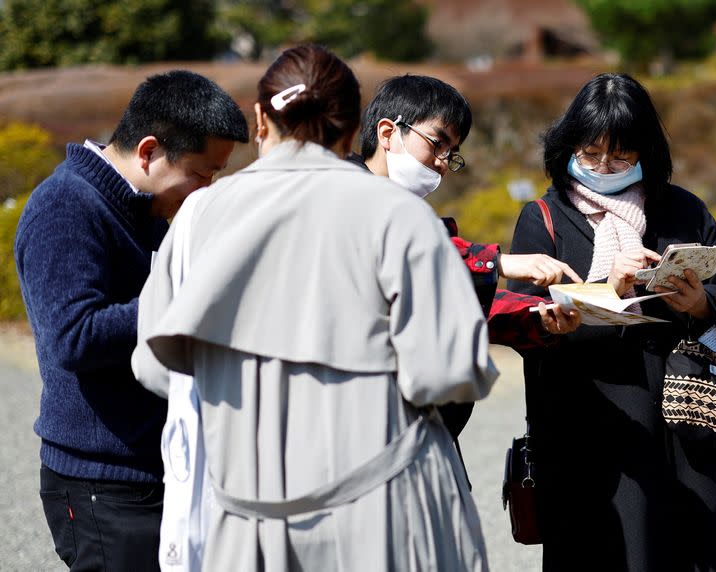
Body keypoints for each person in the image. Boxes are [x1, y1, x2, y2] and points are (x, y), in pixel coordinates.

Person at [132, 45, 498, 571]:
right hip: (384, 510)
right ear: (355, 133)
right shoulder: (402, 217)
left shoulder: (199, 215)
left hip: (249, 515)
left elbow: (153, 364)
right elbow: (450, 373)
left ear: (261, 120)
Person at [507, 72, 716, 571]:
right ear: (567, 145)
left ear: (647, 153)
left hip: (686, 429)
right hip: (587, 437)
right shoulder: (544, 217)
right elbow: (521, 321)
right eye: (591, 152)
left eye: (621, 156)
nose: (603, 166)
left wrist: (699, 303)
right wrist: (607, 293)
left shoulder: (683, 209)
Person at [14, 70, 248, 571]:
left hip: (152, 468)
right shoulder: (65, 206)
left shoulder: (147, 210)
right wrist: (188, 298)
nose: (206, 190)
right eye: (203, 174)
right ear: (148, 152)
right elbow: (74, 337)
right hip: (102, 481)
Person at [352, 74, 582, 449]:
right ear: (387, 133)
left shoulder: (415, 217)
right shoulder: (345, 199)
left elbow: (454, 300)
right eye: (437, 143)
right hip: (365, 432)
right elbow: (421, 263)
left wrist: (538, 316)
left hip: (423, 434)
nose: (443, 163)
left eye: (452, 152)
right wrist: (499, 262)